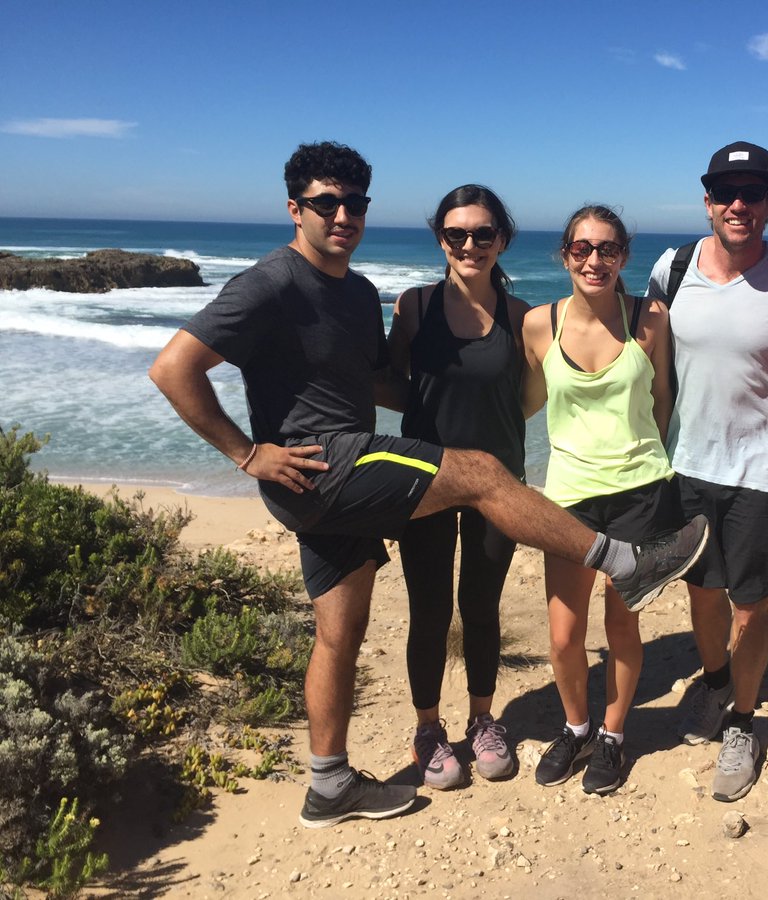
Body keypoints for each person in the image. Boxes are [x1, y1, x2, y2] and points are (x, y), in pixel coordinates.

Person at [148, 141, 709, 829]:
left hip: (406, 476)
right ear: (296, 209)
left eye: (354, 203)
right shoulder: (371, 299)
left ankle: (353, 774)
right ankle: (442, 713)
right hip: (384, 470)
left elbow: (384, 380)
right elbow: (178, 368)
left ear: (502, 239)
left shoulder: (379, 295)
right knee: (437, 580)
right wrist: (248, 453)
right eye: (328, 204)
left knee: (371, 627)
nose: (343, 215)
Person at [644, 142, 768, 802]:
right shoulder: (672, 267)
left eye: (753, 193)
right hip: (687, 463)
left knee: (750, 605)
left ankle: (744, 725)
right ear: (707, 201)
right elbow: (650, 358)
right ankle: (718, 685)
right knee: (701, 594)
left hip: (760, 467)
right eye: (726, 191)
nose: (738, 204)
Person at [521, 205, 679, 795]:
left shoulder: (650, 318)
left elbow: (663, 400)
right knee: (564, 635)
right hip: (567, 499)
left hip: (640, 492)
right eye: (583, 249)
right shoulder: (541, 325)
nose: (595, 260)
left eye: (608, 249)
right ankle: (575, 726)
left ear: (624, 256)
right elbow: (525, 402)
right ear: (565, 255)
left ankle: (612, 736)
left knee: (622, 627)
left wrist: (657, 473)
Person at [388, 185, 527, 790]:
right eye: (456, 235)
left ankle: (481, 720)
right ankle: (427, 727)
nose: (470, 245)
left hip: (498, 486)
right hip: (424, 481)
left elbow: (534, 399)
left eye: (482, 234)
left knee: (481, 606)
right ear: (441, 240)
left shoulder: (525, 318)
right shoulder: (413, 308)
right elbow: (388, 386)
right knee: (429, 609)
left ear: (502, 239)